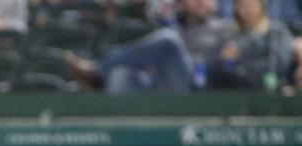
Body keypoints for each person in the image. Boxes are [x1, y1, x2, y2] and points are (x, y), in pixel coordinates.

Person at [65, 0, 233, 93]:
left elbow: (222, 64)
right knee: (121, 73)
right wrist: (168, 20)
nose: (198, 2)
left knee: (169, 39)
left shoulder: (223, 27)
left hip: (195, 85)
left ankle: (97, 69)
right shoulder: (174, 25)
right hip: (162, 82)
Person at [207, 0, 293, 89]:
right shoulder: (228, 35)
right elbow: (214, 68)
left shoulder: (277, 32)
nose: (248, 10)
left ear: (262, 7)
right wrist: (224, 59)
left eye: (252, 5)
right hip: (235, 92)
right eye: (242, 5)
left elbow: (279, 64)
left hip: (269, 89)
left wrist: (241, 68)